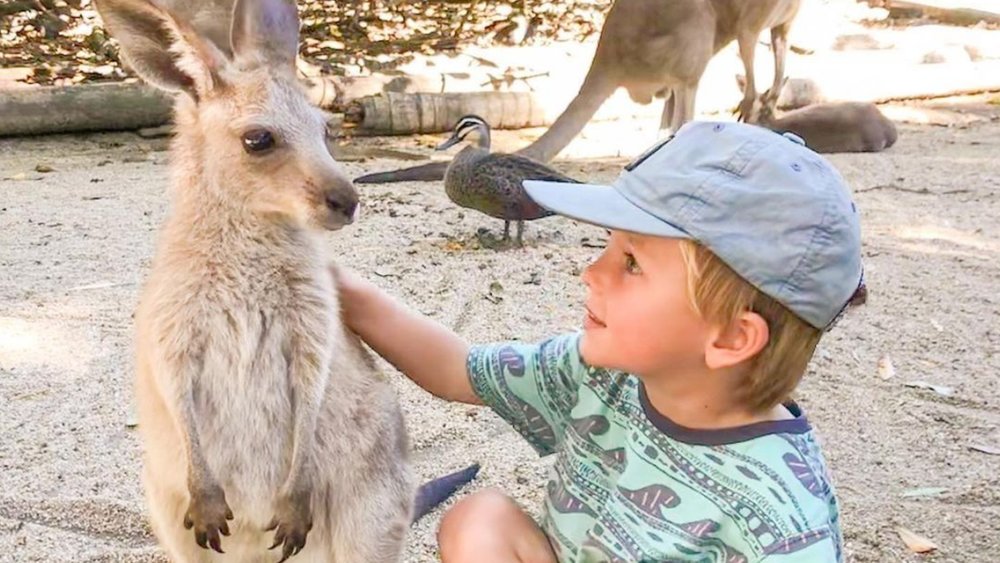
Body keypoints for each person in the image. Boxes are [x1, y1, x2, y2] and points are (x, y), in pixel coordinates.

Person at [335, 121, 865, 562]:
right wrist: (337, 287)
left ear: (729, 337)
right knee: (481, 518)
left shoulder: (782, 522)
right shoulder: (605, 372)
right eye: (605, 248)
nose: (592, 273)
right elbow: (456, 369)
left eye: (631, 263)